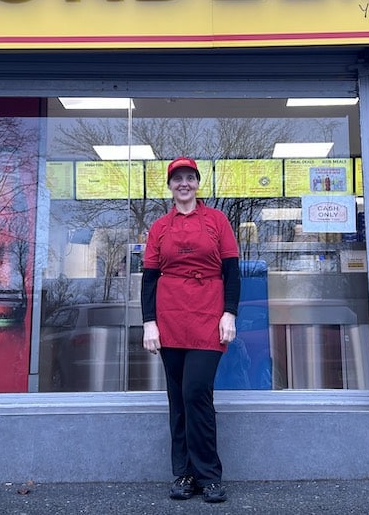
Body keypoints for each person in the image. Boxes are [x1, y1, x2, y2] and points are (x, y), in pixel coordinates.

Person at [141, 156, 240, 504]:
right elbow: (150, 279)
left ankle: (210, 476)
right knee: (177, 398)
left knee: (196, 392)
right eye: (177, 178)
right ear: (169, 186)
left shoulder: (217, 221)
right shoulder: (159, 228)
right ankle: (183, 473)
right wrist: (148, 322)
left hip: (207, 317)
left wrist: (229, 314)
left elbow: (232, 272)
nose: (183, 183)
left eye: (189, 177)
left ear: (197, 183)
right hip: (169, 319)